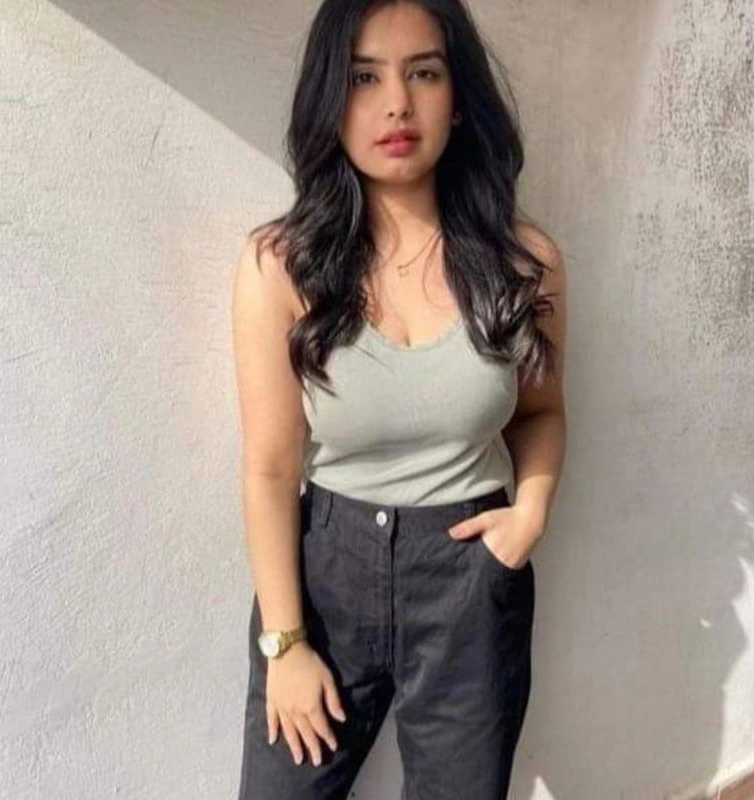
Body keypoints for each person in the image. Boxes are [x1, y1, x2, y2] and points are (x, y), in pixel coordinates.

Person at [230, 0, 567, 797]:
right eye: (364, 78)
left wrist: (530, 515)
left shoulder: (523, 262)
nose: (397, 105)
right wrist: (286, 643)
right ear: (330, 98)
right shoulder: (281, 266)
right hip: (324, 580)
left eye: (424, 72)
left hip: (469, 581)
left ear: (459, 97)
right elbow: (271, 469)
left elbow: (541, 413)